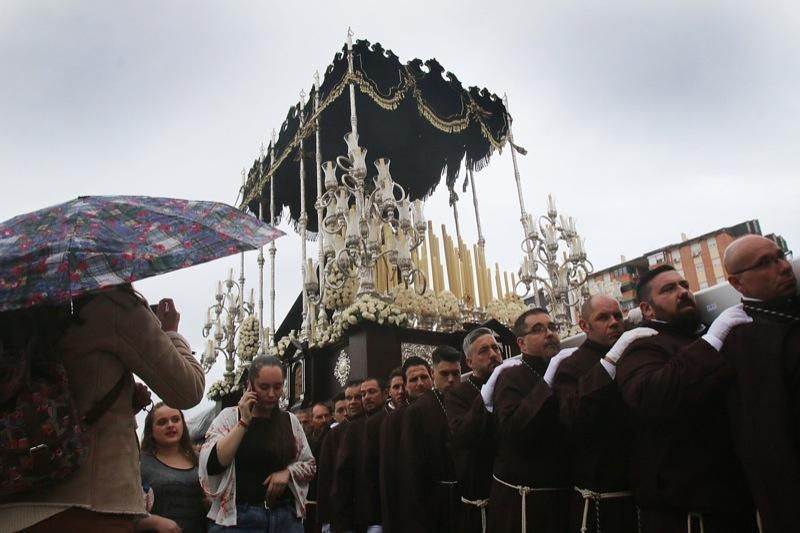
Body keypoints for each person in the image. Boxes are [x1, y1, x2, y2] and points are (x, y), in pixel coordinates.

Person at [0, 286, 204, 532]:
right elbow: (187, 389)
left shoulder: (12, 304)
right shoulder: (109, 302)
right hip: (91, 505)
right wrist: (171, 332)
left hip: (10, 505)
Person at [614, 264, 758, 532]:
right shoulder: (643, 346)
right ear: (647, 309)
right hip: (686, 517)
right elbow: (651, 398)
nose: (682, 292)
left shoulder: (701, 335)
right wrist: (712, 341)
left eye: (684, 286)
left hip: (735, 505)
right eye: (669, 289)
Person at [719, 235, 800, 532]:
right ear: (737, 284)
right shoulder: (742, 339)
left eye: (781, 256)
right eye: (765, 263)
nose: (782, 267)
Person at [551, 295, 638, 532]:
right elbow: (572, 416)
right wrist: (608, 364)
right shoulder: (572, 365)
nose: (613, 322)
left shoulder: (636, 351)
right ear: (584, 326)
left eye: (618, 316)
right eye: (603, 317)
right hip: (602, 495)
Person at [199, 355, 315, 532]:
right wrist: (244, 422)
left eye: (277, 387)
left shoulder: (290, 421)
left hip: (284, 518)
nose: (271, 394)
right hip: (240, 519)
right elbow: (214, 463)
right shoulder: (229, 417)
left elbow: (310, 465)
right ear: (250, 386)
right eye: (264, 387)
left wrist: (287, 473)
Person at [486, 308, 572, 533]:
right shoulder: (510, 377)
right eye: (539, 329)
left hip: (564, 495)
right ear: (522, 344)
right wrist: (546, 382)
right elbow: (513, 429)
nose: (550, 333)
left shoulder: (567, 370)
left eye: (552, 327)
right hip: (525, 502)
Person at [399, 345, 462, 533]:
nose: (451, 379)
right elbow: (411, 469)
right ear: (433, 374)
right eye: (445, 374)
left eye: (456, 373)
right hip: (435, 506)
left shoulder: (469, 400)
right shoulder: (418, 410)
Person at [446, 328, 502, 533]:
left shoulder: (511, 382)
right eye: (484, 350)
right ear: (469, 362)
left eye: (496, 348)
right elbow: (462, 436)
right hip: (482, 494)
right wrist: (485, 399)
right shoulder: (458, 394)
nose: (493, 354)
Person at [379, 356, 432, 533]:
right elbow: (389, 477)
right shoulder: (394, 421)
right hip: (409, 513)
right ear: (406, 384)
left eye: (424, 377)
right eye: (413, 380)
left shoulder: (442, 405)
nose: (420, 383)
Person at [140, 402, 207, 533]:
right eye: (162, 422)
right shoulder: (140, 463)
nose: (170, 425)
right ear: (151, 430)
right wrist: (154, 522)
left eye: (175, 420)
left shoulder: (200, 460)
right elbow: (124, 515)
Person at [316, 380, 362, 533]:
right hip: (343, 517)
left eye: (358, 397)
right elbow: (325, 479)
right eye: (349, 398)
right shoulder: (334, 435)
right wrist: (326, 520)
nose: (353, 402)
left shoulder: (376, 424)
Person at [305, 403, 332, 533]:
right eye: (319, 417)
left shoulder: (335, 437)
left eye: (326, 416)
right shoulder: (305, 442)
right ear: (311, 420)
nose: (324, 421)